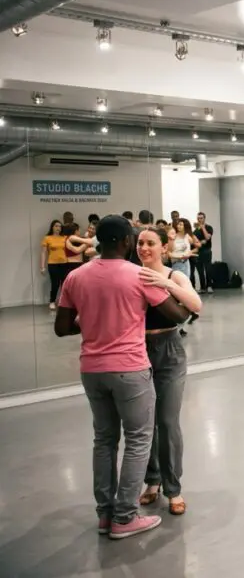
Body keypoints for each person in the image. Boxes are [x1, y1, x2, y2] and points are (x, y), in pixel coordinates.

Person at [54, 215, 190, 539]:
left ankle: (105, 515)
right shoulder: (138, 275)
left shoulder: (75, 276)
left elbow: (61, 328)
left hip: (92, 370)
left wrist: (94, 321)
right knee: (139, 439)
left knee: (103, 441)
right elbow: (179, 314)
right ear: (127, 242)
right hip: (129, 368)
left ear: (98, 241)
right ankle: (125, 517)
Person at [135, 227, 202, 517]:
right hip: (137, 352)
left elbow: (195, 305)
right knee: (144, 421)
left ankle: (173, 487)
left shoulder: (175, 275)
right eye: (140, 243)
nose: (144, 248)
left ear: (164, 247)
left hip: (169, 351)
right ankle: (152, 480)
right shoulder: (131, 275)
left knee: (167, 420)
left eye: (151, 243)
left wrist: (165, 283)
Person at [41, 219, 68, 310]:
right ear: (52, 227)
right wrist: (42, 267)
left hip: (64, 263)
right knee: (55, 283)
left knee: (64, 284)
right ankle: (52, 301)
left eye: (60, 226)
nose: (58, 228)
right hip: (53, 264)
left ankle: (63, 301)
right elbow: (43, 252)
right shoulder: (47, 238)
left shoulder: (64, 237)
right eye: (56, 226)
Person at [193, 212, 214, 294]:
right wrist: (200, 242)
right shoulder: (195, 230)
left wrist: (203, 228)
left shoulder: (209, 227)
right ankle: (203, 287)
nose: (200, 220)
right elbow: (194, 241)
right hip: (198, 252)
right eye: (198, 218)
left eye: (201, 218)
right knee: (200, 270)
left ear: (204, 218)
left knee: (208, 269)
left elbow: (207, 237)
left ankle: (209, 286)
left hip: (207, 251)